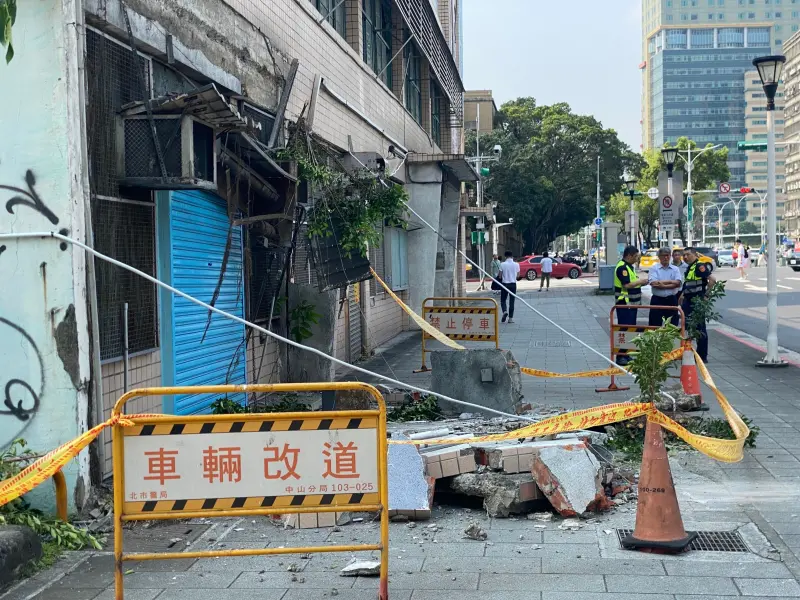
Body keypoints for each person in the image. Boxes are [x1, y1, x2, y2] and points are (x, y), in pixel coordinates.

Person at [614, 246, 649, 364]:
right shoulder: (622, 268)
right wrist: (641, 281)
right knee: (624, 328)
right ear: (629, 255)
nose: (636, 259)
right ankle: (620, 355)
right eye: (635, 257)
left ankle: (626, 353)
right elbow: (627, 285)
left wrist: (641, 283)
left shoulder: (629, 267)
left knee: (630, 328)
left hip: (632, 304)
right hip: (625, 303)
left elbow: (633, 283)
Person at [681, 247, 717, 363]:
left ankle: (702, 356)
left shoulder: (699, 266)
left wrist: (706, 295)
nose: (685, 257)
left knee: (700, 328)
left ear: (695, 254)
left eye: (687, 254)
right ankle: (691, 352)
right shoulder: (690, 267)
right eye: (684, 255)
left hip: (697, 302)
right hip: (689, 301)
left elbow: (712, 279)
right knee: (688, 326)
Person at [648, 247, 682, 327]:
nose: (666, 257)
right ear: (659, 256)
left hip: (671, 299)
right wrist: (671, 282)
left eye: (667, 255)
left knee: (672, 326)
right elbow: (653, 283)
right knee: (654, 326)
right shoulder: (654, 268)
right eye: (663, 255)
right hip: (657, 300)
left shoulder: (675, 269)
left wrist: (662, 284)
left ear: (670, 256)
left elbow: (678, 283)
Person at [498, 251, 520, 324]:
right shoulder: (516, 264)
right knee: (512, 301)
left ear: (505, 257)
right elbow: (518, 276)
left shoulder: (502, 264)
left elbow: (500, 276)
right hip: (513, 284)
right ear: (512, 256)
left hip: (504, 284)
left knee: (503, 300)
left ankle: (504, 311)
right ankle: (510, 319)